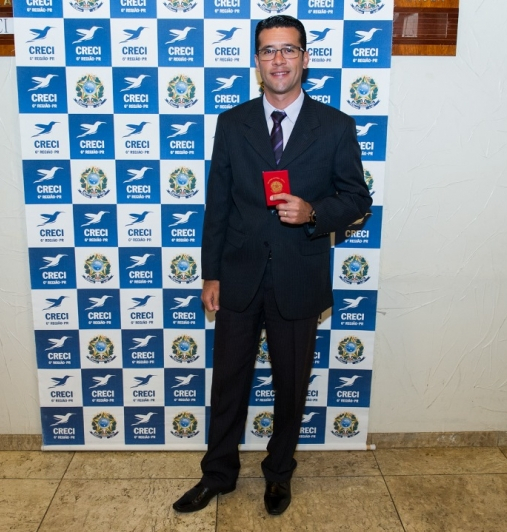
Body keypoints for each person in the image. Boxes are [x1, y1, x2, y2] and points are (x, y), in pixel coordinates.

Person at [172, 15, 372, 516]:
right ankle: (217, 474)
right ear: (257, 61)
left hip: (298, 277)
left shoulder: (336, 126)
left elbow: (357, 198)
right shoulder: (232, 122)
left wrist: (314, 213)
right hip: (237, 276)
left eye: (288, 49)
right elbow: (218, 204)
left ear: (305, 58)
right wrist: (211, 273)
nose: (278, 59)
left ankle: (279, 473)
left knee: (291, 385)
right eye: (268, 50)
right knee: (228, 384)